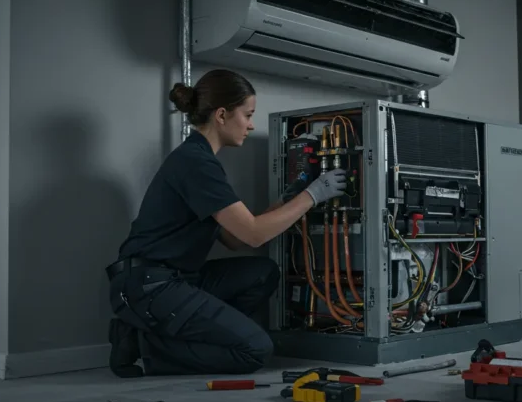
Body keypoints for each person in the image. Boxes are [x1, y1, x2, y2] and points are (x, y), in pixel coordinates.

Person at [105, 68, 346, 378]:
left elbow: (235, 239)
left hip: (175, 279)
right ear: (221, 115)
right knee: (255, 351)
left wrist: (288, 201)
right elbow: (255, 235)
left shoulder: (200, 159)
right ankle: (145, 348)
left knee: (263, 273)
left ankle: (191, 333)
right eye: (247, 115)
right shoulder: (197, 163)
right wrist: (313, 195)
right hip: (150, 286)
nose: (251, 124)